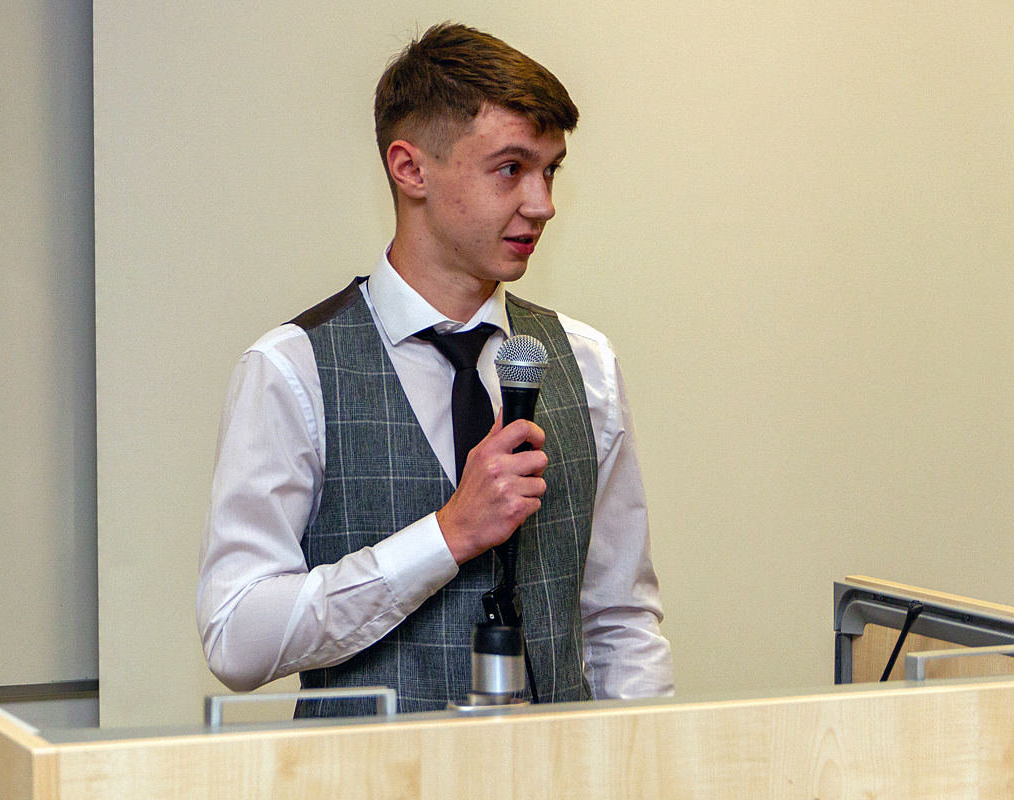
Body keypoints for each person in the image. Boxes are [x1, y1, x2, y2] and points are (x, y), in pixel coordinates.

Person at [197, 22, 672, 717]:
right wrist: (445, 536)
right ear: (411, 169)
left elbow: (620, 622)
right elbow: (236, 636)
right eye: (510, 168)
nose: (542, 204)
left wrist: (649, 762)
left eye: (550, 170)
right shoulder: (291, 369)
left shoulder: (586, 362)